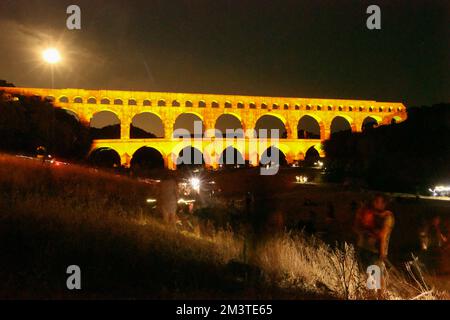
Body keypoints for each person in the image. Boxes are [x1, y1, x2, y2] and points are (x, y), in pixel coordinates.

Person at [353, 194, 395, 269]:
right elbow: (383, 236)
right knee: (375, 277)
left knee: (362, 275)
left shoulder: (365, 213)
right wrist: (382, 253)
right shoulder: (388, 216)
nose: (374, 203)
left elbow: (356, 229)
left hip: (362, 246)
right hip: (375, 251)